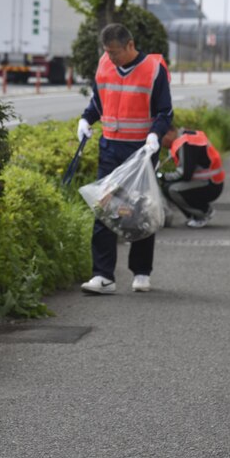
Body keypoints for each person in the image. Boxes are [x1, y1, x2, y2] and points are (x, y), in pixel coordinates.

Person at [77, 23, 173, 294]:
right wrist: (86, 119)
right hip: (110, 147)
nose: (112, 57)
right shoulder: (104, 64)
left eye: (116, 52)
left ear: (130, 45)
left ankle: (141, 272)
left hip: (140, 152)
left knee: (140, 210)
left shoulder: (153, 70)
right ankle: (103, 275)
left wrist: (155, 135)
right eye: (107, 52)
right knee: (104, 208)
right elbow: (99, 101)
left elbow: (165, 112)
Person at [160, 125, 225, 228]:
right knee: (168, 187)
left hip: (210, 184)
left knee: (172, 189)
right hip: (213, 181)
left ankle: (202, 213)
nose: (161, 144)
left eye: (161, 139)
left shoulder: (185, 143)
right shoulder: (188, 136)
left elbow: (185, 174)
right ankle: (197, 213)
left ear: (169, 133)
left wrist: (162, 176)